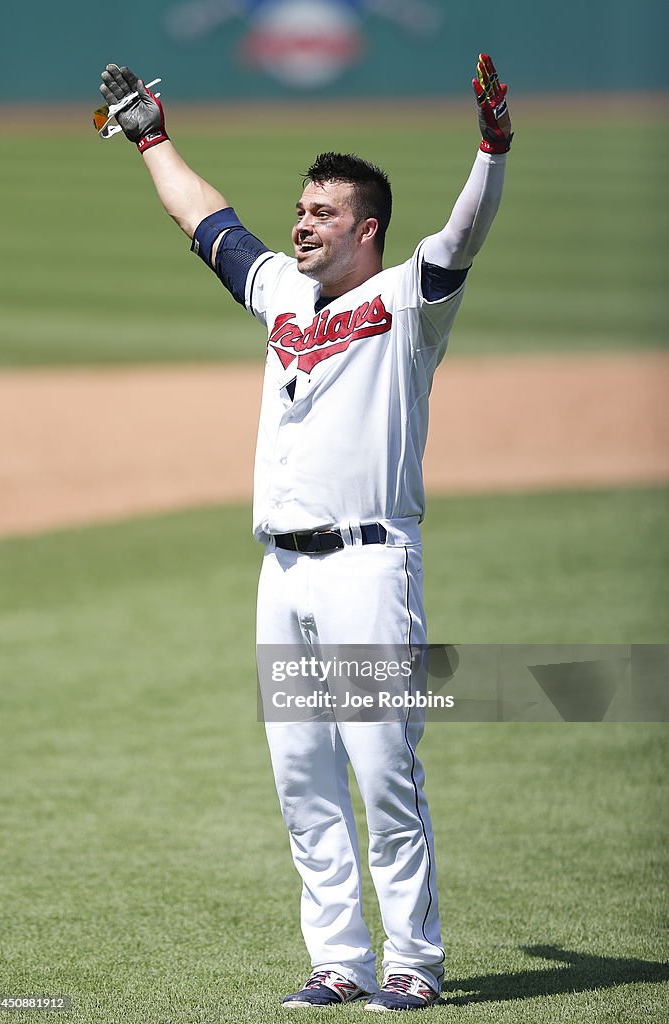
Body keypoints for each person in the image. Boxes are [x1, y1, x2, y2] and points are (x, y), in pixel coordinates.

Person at [99, 54, 512, 1012]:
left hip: (368, 568)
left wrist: (492, 147)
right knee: (302, 778)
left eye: (322, 213)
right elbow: (206, 222)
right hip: (281, 576)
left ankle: (412, 962)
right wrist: (148, 133)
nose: (301, 222)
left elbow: (463, 232)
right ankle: (339, 960)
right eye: (302, 209)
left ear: (366, 229)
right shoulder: (284, 293)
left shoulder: (408, 302)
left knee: (381, 773)